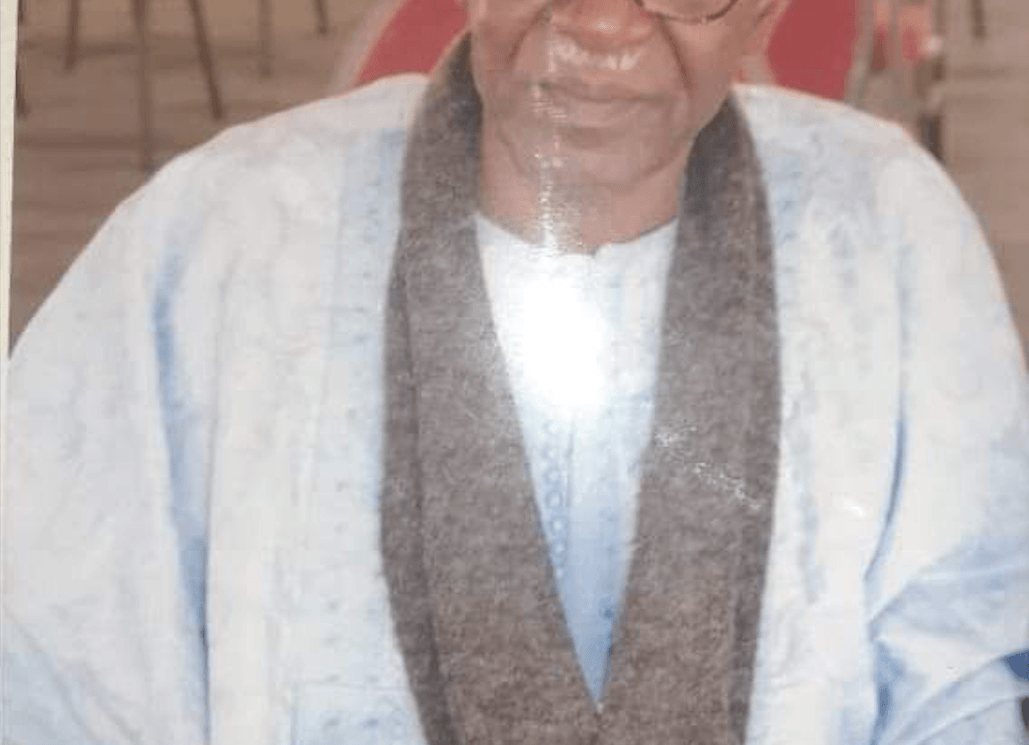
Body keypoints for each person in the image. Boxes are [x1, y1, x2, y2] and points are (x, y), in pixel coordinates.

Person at [3, 0, 1028, 740]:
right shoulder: (224, 232)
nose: (604, 24)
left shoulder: (878, 228)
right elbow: (51, 663)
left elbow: (956, 684)